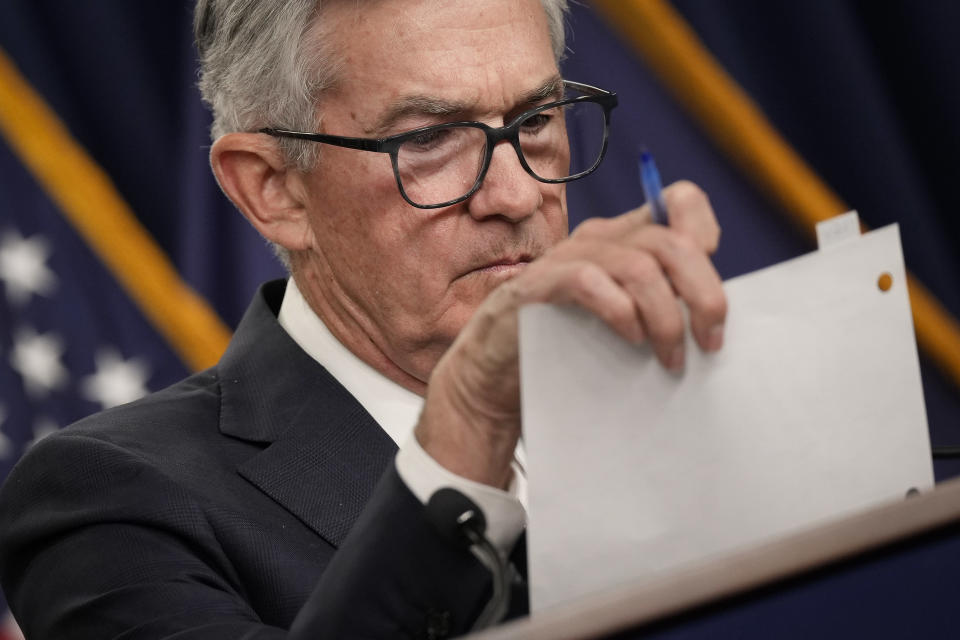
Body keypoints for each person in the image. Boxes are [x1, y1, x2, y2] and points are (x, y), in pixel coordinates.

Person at [0, 0, 727, 637]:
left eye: (534, 119)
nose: (513, 194)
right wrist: (467, 424)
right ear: (275, 189)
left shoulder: (691, 391)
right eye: (429, 139)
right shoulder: (109, 499)